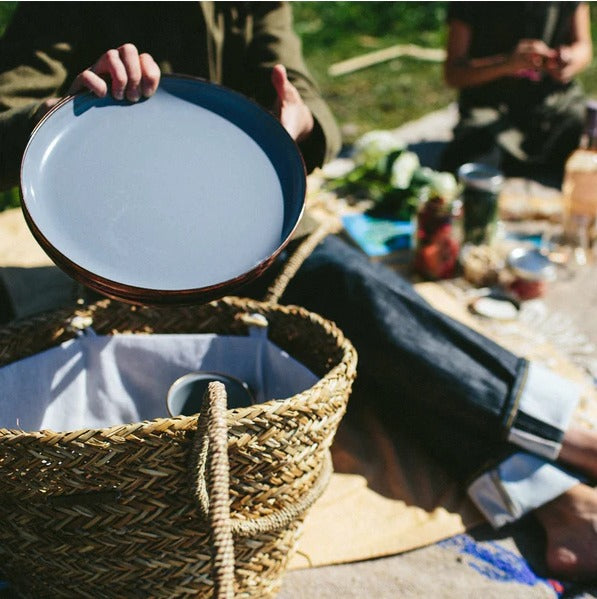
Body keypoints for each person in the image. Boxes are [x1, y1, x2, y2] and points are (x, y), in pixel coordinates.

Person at [0, 1, 595, 581]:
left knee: (363, 306)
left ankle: (557, 472)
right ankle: (561, 469)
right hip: (121, 254)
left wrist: (301, 120)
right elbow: (7, 107)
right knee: (368, 338)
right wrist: (62, 113)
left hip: (250, 234)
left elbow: (301, 93)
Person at [441, 2, 593, 184]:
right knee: (475, 146)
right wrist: (507, 63)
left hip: (550, 101)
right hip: (491, 104)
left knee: (580, 123)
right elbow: (454, 74)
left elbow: (583, 46)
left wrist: (569, 60)